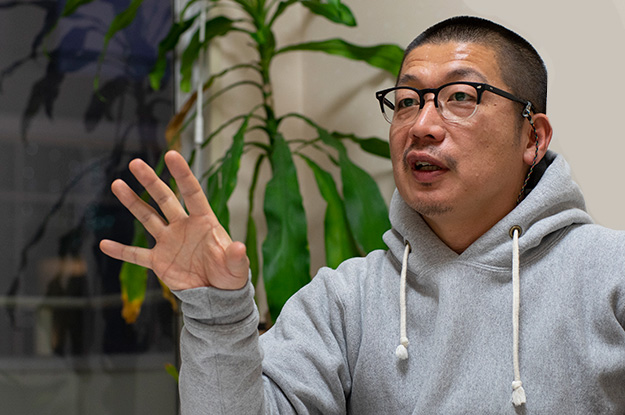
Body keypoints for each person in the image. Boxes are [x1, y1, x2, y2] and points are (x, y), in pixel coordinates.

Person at [100, 16, 625, 414]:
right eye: (406, 101)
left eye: (461, 96)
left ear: (532, 137)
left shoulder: (610, 275)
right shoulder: (344, 300)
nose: (422, 125)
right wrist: (216, 311)